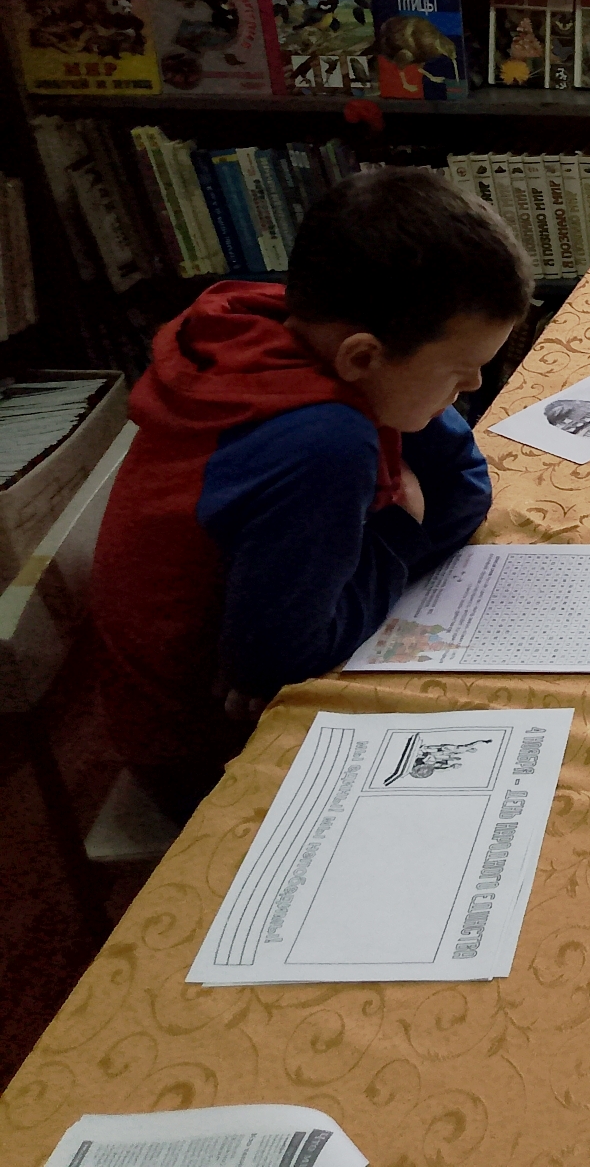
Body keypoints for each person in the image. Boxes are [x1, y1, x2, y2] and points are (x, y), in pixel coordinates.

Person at [93, 168, 531, 821]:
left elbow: (464, 490)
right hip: (201, 744)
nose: (470, 387)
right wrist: (400, 530)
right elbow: (276, 664)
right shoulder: (324, 441)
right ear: (361, 357)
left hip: (200, 679)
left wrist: (384, 534)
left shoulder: (292, 325)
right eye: (457, 371)